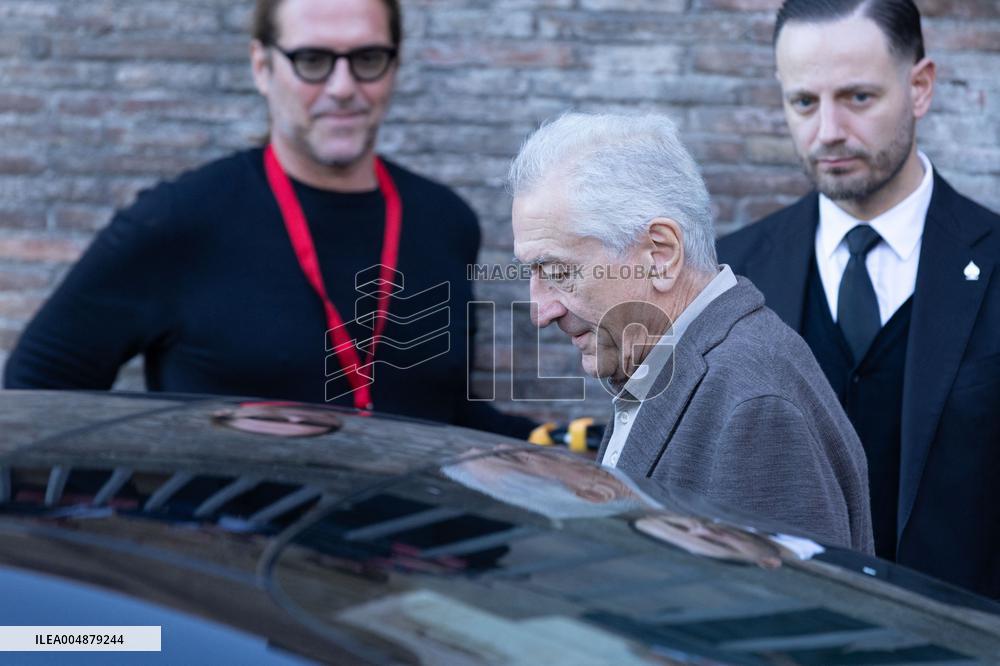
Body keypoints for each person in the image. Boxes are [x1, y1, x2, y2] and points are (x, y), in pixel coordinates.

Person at [3, 0, 533, 438]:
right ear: (262, 67)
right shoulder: (177, 220)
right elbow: (33, 398)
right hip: (231, 558)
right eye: (312, 60)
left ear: (394, 64)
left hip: (411, 557)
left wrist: (552, 447)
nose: (344, 86)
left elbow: (439, 410)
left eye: (368, 58)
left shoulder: (444, 220)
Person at [716, 0, 1000, 598]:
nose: (828, 132)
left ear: (919, 87)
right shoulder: (731, 271)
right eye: (804, 102)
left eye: (858, 98)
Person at [509, 112, 873, 553]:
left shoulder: (754, 407)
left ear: (660, 254)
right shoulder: (682, 366)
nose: (540, 312)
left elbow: (792, 615)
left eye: (558, 271)